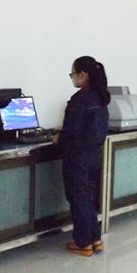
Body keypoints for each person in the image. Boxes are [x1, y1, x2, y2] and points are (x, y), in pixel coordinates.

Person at [53, 56, 110, 257]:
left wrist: (58, 138)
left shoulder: (80, 99)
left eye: (73, 74)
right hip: (94, 155)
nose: (72, 78)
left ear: (83, 75)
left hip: (77, 156)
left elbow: (72, 131)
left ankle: (83, 243)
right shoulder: (100, 97)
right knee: (88, 198)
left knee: (78, 198)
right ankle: (95, 239)